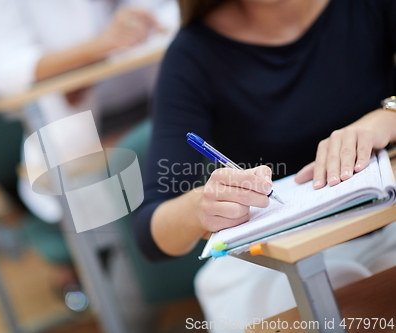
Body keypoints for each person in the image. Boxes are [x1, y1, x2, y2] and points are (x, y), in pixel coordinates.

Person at [134, 0, 396, 330]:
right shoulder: (193, 54)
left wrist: (388, 116)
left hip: (385, 224)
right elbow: (150, 231)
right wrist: (199, 207)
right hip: (276, 264)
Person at [0, 0, 178, 291]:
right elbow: (5, 73)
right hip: (81, 130)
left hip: (167, 99)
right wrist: (99, 47)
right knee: (130, 258)